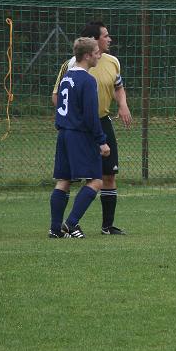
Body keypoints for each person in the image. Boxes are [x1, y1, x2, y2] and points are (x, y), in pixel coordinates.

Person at [52, 20, 132, 235]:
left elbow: (118, 87)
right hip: (83, 128)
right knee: (84, 178)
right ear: (92, 45)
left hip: (101, 122)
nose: (109, 39)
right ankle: (70, 223)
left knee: (108, 175)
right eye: (105, 36)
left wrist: (122, 104)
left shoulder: (113, 61)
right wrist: (76, 121)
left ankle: (106, 226)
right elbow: (57, 97)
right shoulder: (73, 67)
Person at [49, 37, 111, 238]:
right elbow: (91, 115)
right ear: (87, 56)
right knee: (96, 181)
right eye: (96, 52)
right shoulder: (87, 80)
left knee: (64, 180)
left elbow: (60, 105)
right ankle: (71, 223)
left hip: (64, 133)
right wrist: (101, 141)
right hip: (79, 135)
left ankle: (55, 229)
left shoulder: (66, 77)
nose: (99, 55)